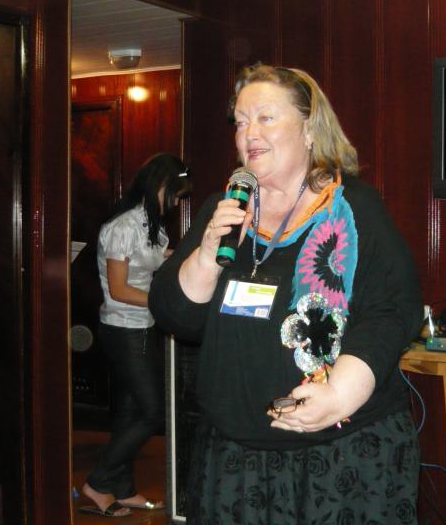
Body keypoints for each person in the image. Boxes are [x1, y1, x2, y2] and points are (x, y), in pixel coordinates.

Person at [149, 63, 423, 524]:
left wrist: (338, 395)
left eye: (266, 117)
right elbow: (175, 317)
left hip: (338, 454)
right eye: (240, 121)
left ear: (310, 129)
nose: (249, 133)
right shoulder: (225, 209)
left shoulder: (353, 208)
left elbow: (393, 309)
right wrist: (206, 255)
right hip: (234, 459)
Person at [80, 152, 191, 518]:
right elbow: (119, 289)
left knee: (131, 413)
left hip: (142, 327)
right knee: (152, 411)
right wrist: (163, 301)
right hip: (122, 328)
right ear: (161, 185)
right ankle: (98, 482)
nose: (175, 202)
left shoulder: (149, 224)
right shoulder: (123, 226)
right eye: (175, 193)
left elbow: (156, 258)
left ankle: (122, 488)